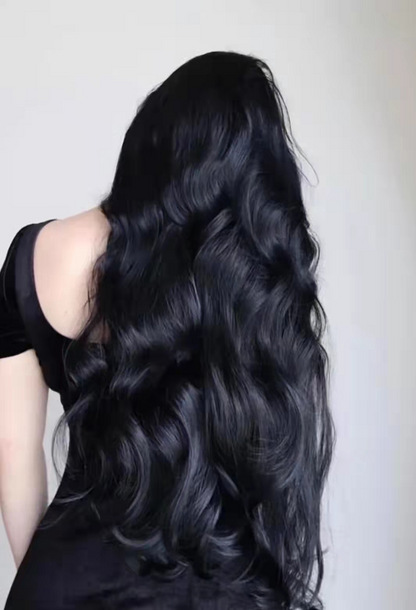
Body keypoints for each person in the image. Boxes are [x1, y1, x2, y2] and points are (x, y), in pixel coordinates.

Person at [0, 51, 333, 610]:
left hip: (64, 582)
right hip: (218, 588)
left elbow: (11, 447)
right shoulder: (252, 279)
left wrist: (50, 580)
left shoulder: (37, 253)